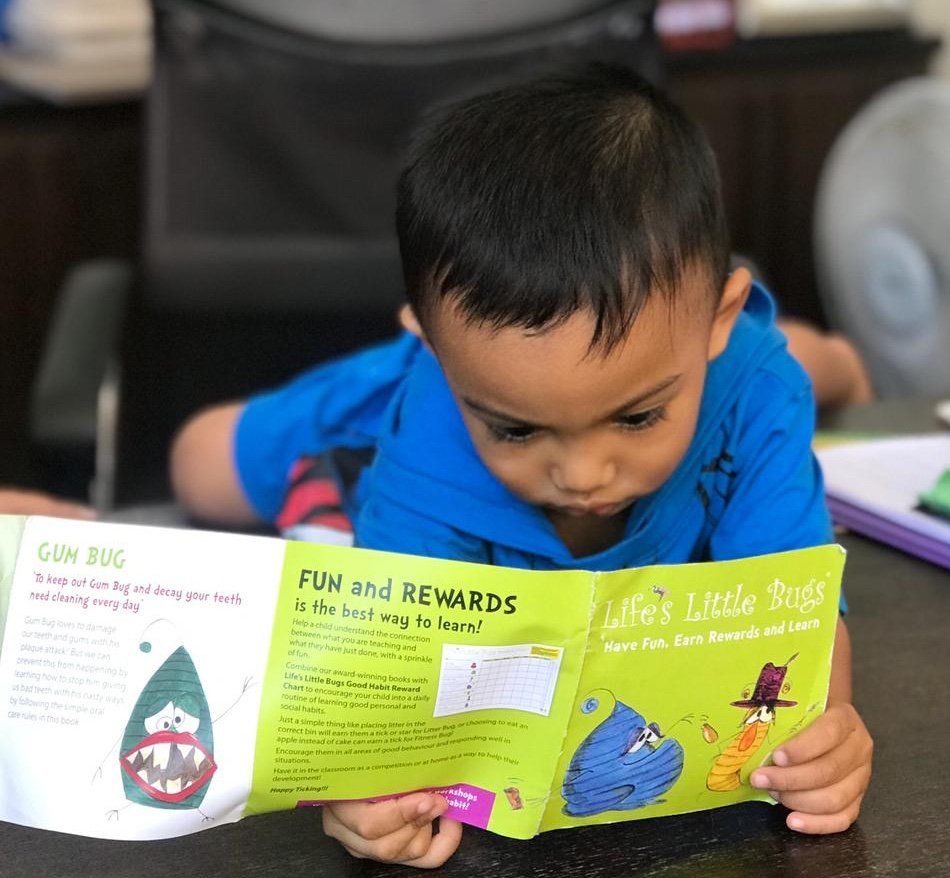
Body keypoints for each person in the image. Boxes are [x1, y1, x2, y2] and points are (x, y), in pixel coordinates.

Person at [170, 65, 872, 867]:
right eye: (517, 429)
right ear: (437, 349)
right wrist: (369, 797)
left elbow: (799, 621)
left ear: (714, 321)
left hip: (715, 368)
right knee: (202, 469)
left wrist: (821, 747)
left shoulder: (750, 385)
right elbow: (397, 686)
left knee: (785, 368)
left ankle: (829, 359)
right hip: (382, 400)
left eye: (637, 416)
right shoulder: (427, 429)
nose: (582, 474)